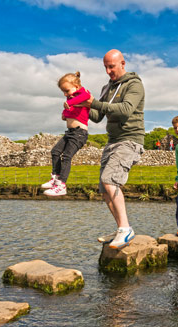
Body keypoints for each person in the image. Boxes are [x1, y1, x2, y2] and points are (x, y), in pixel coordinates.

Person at [81, 49, 145, 249]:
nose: (108, 71)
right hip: (112, 141)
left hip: (130, 140)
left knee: (110, 180)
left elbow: (126, 109)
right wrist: (80, 105)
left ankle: (126, 230)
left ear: (123, 63)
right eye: (105, 67)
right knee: (104, 188)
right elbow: (97, 116)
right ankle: (120, 228)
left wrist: (96, 103)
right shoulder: (106, 88)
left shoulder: (134, 84)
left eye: (112, 66)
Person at [41, 72, 90, 196]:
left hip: (79, 133)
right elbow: (71, 112)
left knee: (67, 156)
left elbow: (85, 96)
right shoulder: (71, 99)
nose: (65, 94)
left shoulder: (83, 93)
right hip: (70, 133)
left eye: (67, 91)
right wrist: (65, 114)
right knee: (55, 151)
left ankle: (61, 185)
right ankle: (56, 178)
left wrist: (71, 102)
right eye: (63, 92)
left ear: (76, 86)